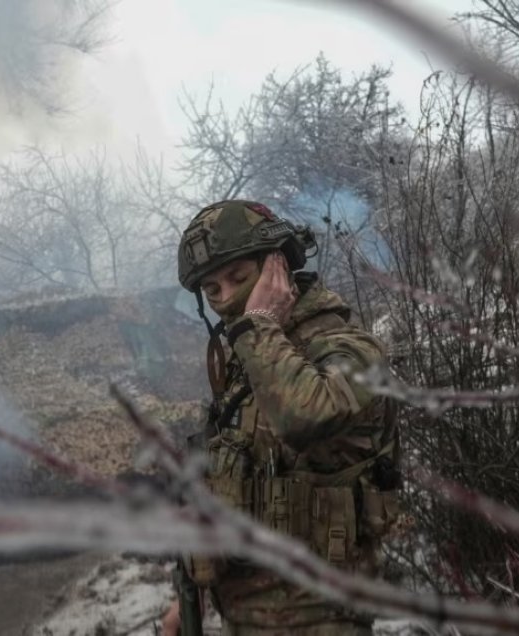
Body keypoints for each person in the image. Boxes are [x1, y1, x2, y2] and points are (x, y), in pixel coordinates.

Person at [164, 200, 401, 636]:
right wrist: (190, 593)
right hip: (247, 613)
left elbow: (305, 415)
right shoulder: (254, 356)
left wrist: (258, 326)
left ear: (279, 267)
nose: (226, 298)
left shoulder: (343, 345)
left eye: (238, 278)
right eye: (212, 290)